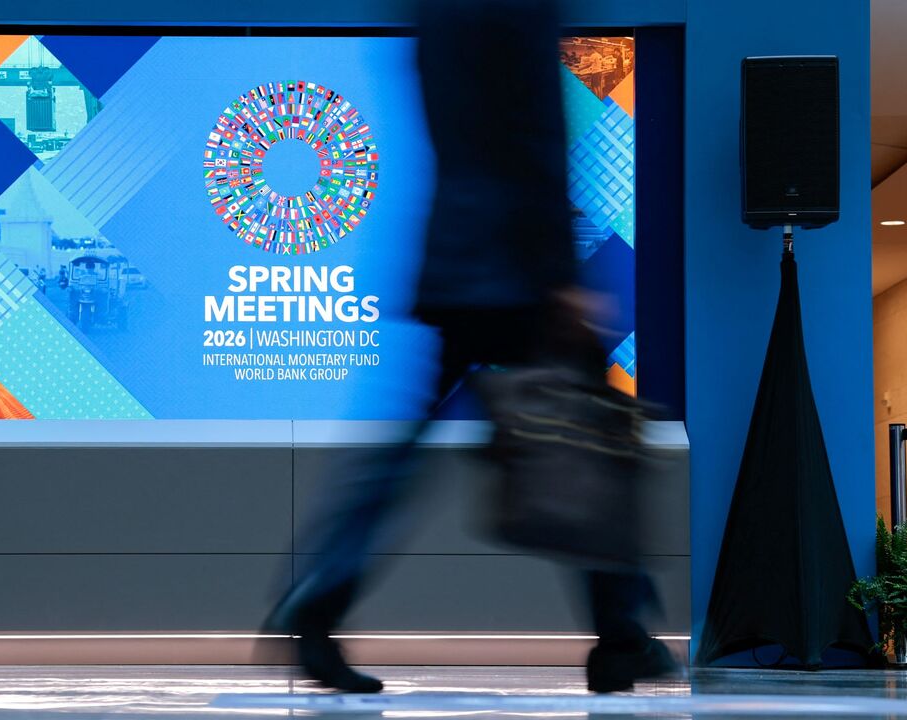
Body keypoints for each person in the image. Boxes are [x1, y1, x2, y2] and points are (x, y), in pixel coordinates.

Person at [260, 0, 677, 695]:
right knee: (590, 438)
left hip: (455, 249)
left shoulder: (436, 10)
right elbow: (535, 134)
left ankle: (320, 598)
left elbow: (471, 129)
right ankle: (621, 634)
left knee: (405, 449)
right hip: (516, 262)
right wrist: (561, 276)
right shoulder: (515, 8)